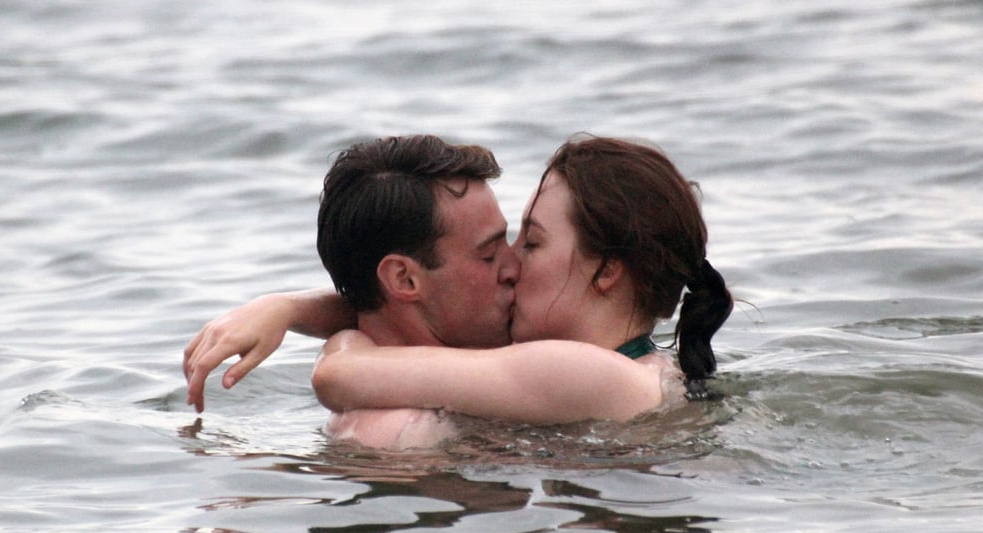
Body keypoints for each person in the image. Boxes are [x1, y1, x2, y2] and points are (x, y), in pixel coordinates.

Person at [310, 136, 733, 431]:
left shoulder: (578, 372)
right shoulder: (629, 371)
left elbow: (339, 375)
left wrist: (284, 311)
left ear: (606, 272)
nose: (512, 262)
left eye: (532, 241)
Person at [183, 134, 520, 446]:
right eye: (489, 255)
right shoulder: (409, 436)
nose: (516, 266)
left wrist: (287, 307)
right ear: (404, 279)